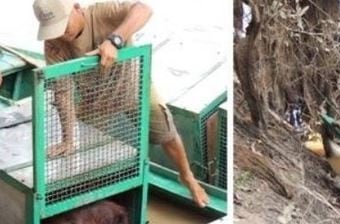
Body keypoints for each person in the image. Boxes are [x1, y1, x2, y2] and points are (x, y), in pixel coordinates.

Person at [32, 0, 209, 208]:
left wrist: (114, 40)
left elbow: (144, 9)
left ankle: (187, 177)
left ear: (77, 8)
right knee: (87, 153)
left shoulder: (102, 13)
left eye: (63, 25)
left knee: (166, 133)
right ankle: (94, 200)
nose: (61, 34)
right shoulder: (54, 44)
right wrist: (68, 140)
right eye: (54, 30)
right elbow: (63, 92)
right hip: (94, 102)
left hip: (133, 87)